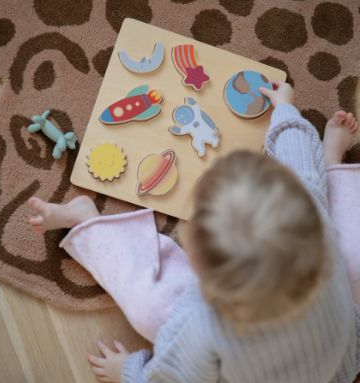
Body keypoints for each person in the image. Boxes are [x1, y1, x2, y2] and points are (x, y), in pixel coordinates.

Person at [28, 80, 360, 383]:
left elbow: (174, 378)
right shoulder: (310, 221)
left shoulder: (202, 324)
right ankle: (331, 162)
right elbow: (299, 162)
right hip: (338, 357)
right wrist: (285, 109)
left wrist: (131, 373)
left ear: (199, 272)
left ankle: (87, 223)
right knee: (351, 256)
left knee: (150, 309)